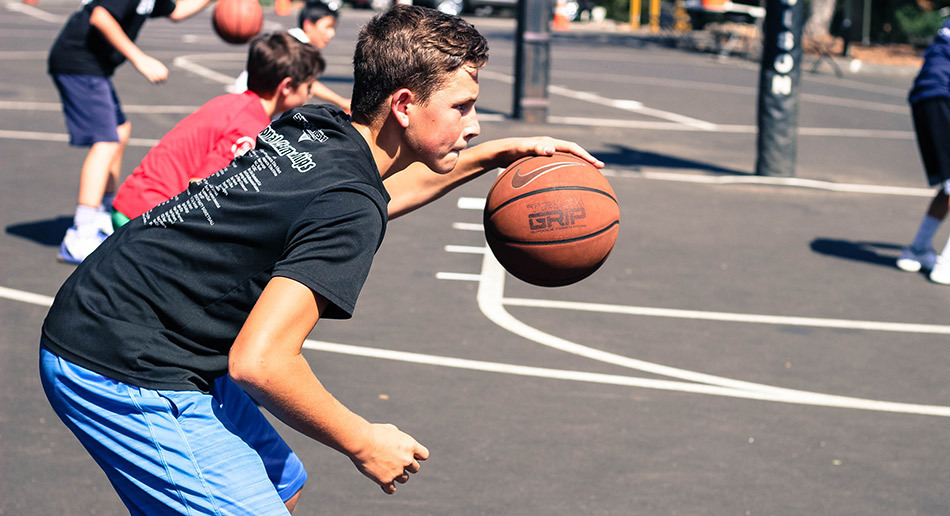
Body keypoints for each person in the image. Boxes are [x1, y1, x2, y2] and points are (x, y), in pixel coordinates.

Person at [39, 5, 603, 515]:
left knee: (279, 485)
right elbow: (260, 362)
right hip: (122, 360)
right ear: (404, 105)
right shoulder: (348, 206)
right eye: (463, 107)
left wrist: (488, 155)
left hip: (130, 315)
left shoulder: (319, 127)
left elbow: (380, 197)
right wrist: (363, 440)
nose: (474, 122)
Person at [49, 0, 215, 264]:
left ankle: (101, 214)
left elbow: (177, 11)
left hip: (94, 67)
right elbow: (100, 16)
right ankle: (80, 233)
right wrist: (140, 58)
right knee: (105, 141)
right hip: (77, 61)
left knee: (119, 131)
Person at [111, 32, 324, 226]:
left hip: (134, 202)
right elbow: (201, 188)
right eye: (309, 86)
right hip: (149, 215)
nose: (310, 94)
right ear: (286, 87)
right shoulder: (248, 128)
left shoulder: (233, 102)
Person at [896, 18, 950, 284]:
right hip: (941, 96)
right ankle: (946, 266)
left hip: (924, 98)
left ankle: (917, 250)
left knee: (949, 185)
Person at [233, 1, 350, 112]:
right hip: (251, 100)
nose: (331, 33)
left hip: (251, 98)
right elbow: (309, 84)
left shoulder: (294, 39)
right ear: (308, 25)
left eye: (333, 28)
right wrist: (342, 102)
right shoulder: (295, 46)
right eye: (328, 27)